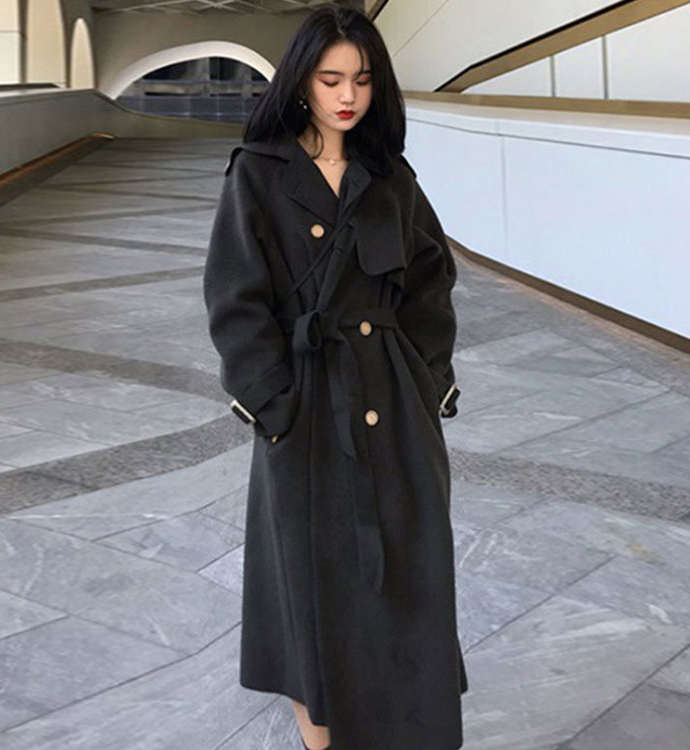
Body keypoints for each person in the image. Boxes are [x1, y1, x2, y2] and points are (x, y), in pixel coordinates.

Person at [203, 6, 467, 750]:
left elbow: (431, 283)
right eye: (330, 79)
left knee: (409, 580)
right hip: (307, 409)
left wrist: (426, 383)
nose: (348, 95)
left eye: (362, 78)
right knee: (309, 592)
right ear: (300, 84)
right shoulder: (259, 172)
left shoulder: (391, 176)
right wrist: (275, 405)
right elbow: (234, 298)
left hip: (395, 407)